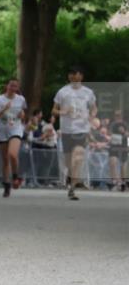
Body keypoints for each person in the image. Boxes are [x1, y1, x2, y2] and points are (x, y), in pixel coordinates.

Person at [52, 65, 97, 201]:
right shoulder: (62, 92)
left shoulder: (88, 92)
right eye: (70, 74)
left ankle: (72, 188)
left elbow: (94, 108)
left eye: (75, 73)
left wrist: (92, 117)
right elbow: (54, 110)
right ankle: (71, 177)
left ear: (81, 76)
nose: (72, 76)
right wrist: (63, 112)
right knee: (68, 162)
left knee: (77, 158)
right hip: (66, 130)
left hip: (81, 130)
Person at [0, 78, 27, 197]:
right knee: (5, 160)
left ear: (17, 88)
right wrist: (4, 109)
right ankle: (6, 185)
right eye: (11, 86)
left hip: (15, 129)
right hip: (2, 130)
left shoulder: (20, 99)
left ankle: (16, 176)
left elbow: (23, 114)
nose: (13, 88)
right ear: (7, 86)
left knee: (12, 154)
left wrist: (22, 115)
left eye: (15, 86)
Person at [108, 109, 127, 191]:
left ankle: (123, 183)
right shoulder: (112, 124)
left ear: (122, 116)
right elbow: (108, 133)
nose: (117, 117)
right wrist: (109, 135)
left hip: (123, 146)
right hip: (114, 146)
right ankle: (114, 181)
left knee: (123, 166)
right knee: (112, 162)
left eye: (118, 115)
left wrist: (125, 132)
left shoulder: (126, 124)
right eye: (116, 115)